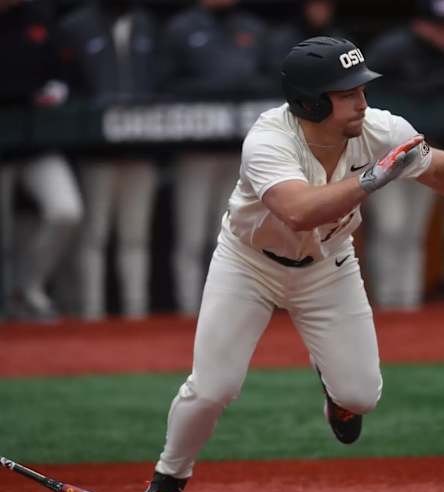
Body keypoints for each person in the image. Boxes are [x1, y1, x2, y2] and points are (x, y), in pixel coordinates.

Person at [142, 37, 444, 492]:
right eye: (347, 93)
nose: (362, 101)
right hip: (248, 264)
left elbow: (437, 167)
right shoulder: (268, 139)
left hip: (328, 264)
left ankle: (335, 392)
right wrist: (369, 179)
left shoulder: (378, 128)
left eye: (361, 90)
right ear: (311, 103)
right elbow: (297, 211)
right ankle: (170, 476)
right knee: (213, 389)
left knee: (361, 396)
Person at [158, 0, 270, 316]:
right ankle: (188, 310)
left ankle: (230, 308)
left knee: (233, 235)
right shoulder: (181, 27)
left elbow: (271, 77)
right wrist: (215, 91)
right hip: (194, 148)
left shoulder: (251, 26)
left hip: (242, 149)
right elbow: (164, 84)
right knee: (191, 236)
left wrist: (242, 88)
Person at [364, 0, 444, 308]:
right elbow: (363, 95)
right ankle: (387, 300)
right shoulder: (391, 49)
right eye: (436, 26)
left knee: (414, 230)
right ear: (419, 23)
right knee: (392, 226)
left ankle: (409, 302)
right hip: (385, 151)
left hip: (430, 149)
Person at [58, 0, 160, 320]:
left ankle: (136, 315)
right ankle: (91, 315)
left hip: (141, 150)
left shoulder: (146, 23)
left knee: (136, 237)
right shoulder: (77, 26)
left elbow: (161, 80)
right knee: (94, 236)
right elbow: (67, 87)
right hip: (96, 153)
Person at [0, 0, 83, 322]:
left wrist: (58, 88)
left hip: (37, 142)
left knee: (66, 210)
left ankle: (28, 287)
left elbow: (66, 69)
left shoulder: (38, 19)